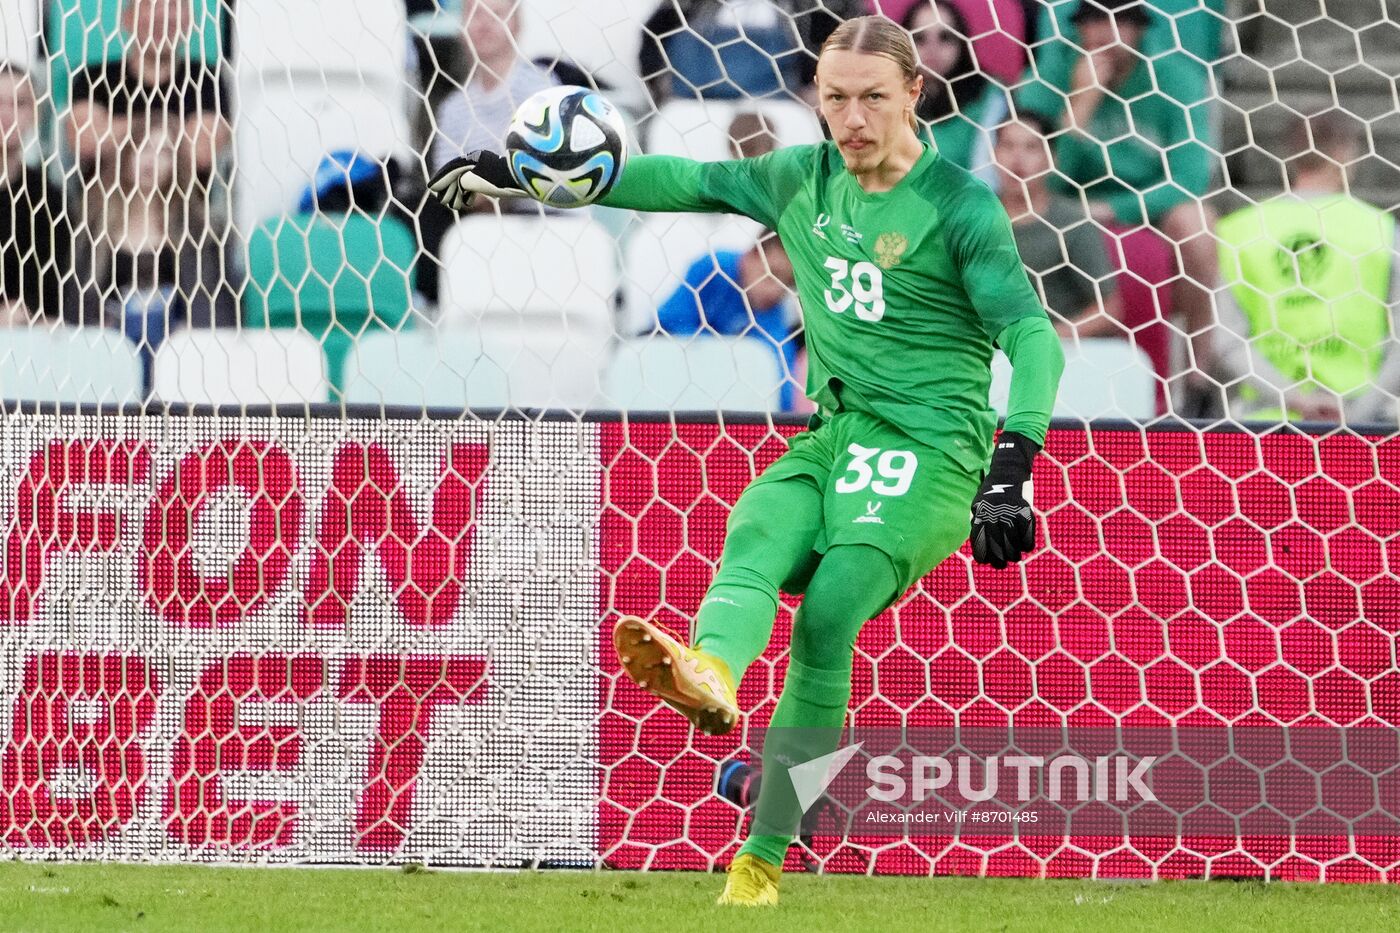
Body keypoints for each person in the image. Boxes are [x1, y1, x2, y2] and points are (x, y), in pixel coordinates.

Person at [426, 14, 1063, 906]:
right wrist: (537, 176)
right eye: (835, 98)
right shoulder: (798, 177)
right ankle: (712, 674)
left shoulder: (959, 205)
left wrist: (1014, 462)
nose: (852, 119)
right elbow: (681, 178)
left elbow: (1030, 335)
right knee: (758, 524)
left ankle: (762, 856)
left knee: (829, 613)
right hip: (836, 431)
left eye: (873, 98)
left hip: (934, 451)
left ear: (914, 94)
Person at [1016, 0, 1223, 410]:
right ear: (1079, 27)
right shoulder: (1049, 76)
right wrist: (1081, 104)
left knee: (1197, 223)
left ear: (1141, 28)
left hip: (1147, 207)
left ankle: (1198, 379)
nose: (1107, 32)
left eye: (1122, 20)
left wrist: (1117, 210)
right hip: (1062, 204)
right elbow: (1030, 172)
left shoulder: (1176, 79)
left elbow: (1190, 177)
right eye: (1094, 20)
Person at [1215, 111, 1400, 426]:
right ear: (1345, 153)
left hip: (1265, 423)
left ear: (1289, 156)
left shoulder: (1238, 230)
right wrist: (1356, 414)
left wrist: (1294, 399)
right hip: (1363, 426)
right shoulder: (1381, 229)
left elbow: (1225, 342)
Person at [66, 0, 230, 189]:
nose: (162, 15)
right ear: (127, 18)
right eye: (149, 4)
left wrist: (118, 131)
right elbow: (86, 141)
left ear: (189, 22)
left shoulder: (206, 79)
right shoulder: (96, 77)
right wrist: (171, 133)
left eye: (174, 5)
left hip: (185, 212)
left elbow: (201, 151)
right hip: (106, 211)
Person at [993, 112, 1123, 339]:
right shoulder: (972, 217)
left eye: (1031, 147)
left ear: (1052, 159)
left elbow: (1109, 309)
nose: (1017, 158)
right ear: (993, 154)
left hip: (1061, 352)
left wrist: (1045, 338)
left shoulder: (1073, 222)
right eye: (1007, 146)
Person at [655, 232, 802, 408]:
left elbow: (781, 381)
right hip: (675, 387)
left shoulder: (773, 313)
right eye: (772, 275)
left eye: (787, 283)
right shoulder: (713, 269)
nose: (776, 291)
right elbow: (668, 320)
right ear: (750, 257)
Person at [639, 0, 866, 105]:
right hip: (693, 106)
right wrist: (660, 83)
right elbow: (652, 37)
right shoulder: (693, 5)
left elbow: (852, 36)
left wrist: (822, 88)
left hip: (784, 108)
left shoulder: (814, 6)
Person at [428, 0, 556, 179]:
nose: (485, 24)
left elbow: (547, 171)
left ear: (516, 24)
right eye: (476, 14)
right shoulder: (453, 109)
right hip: (478, 208)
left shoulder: (541, 91)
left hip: (541, 207)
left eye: (497, 14)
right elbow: (448, 186)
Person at [0, 63, 75, 324]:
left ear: (35, 113)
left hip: (27, 342)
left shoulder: (47, 198)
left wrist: (26, 314)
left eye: (19, 103)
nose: (7, 114)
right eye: (0, 102)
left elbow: (53, 287)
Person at [903, 0, 1007, 185]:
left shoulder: (989, 95)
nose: (932, 49)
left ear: (962, 41)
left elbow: (988, 177)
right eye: (919, 38)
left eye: (945, 37)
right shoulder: (892, 94)